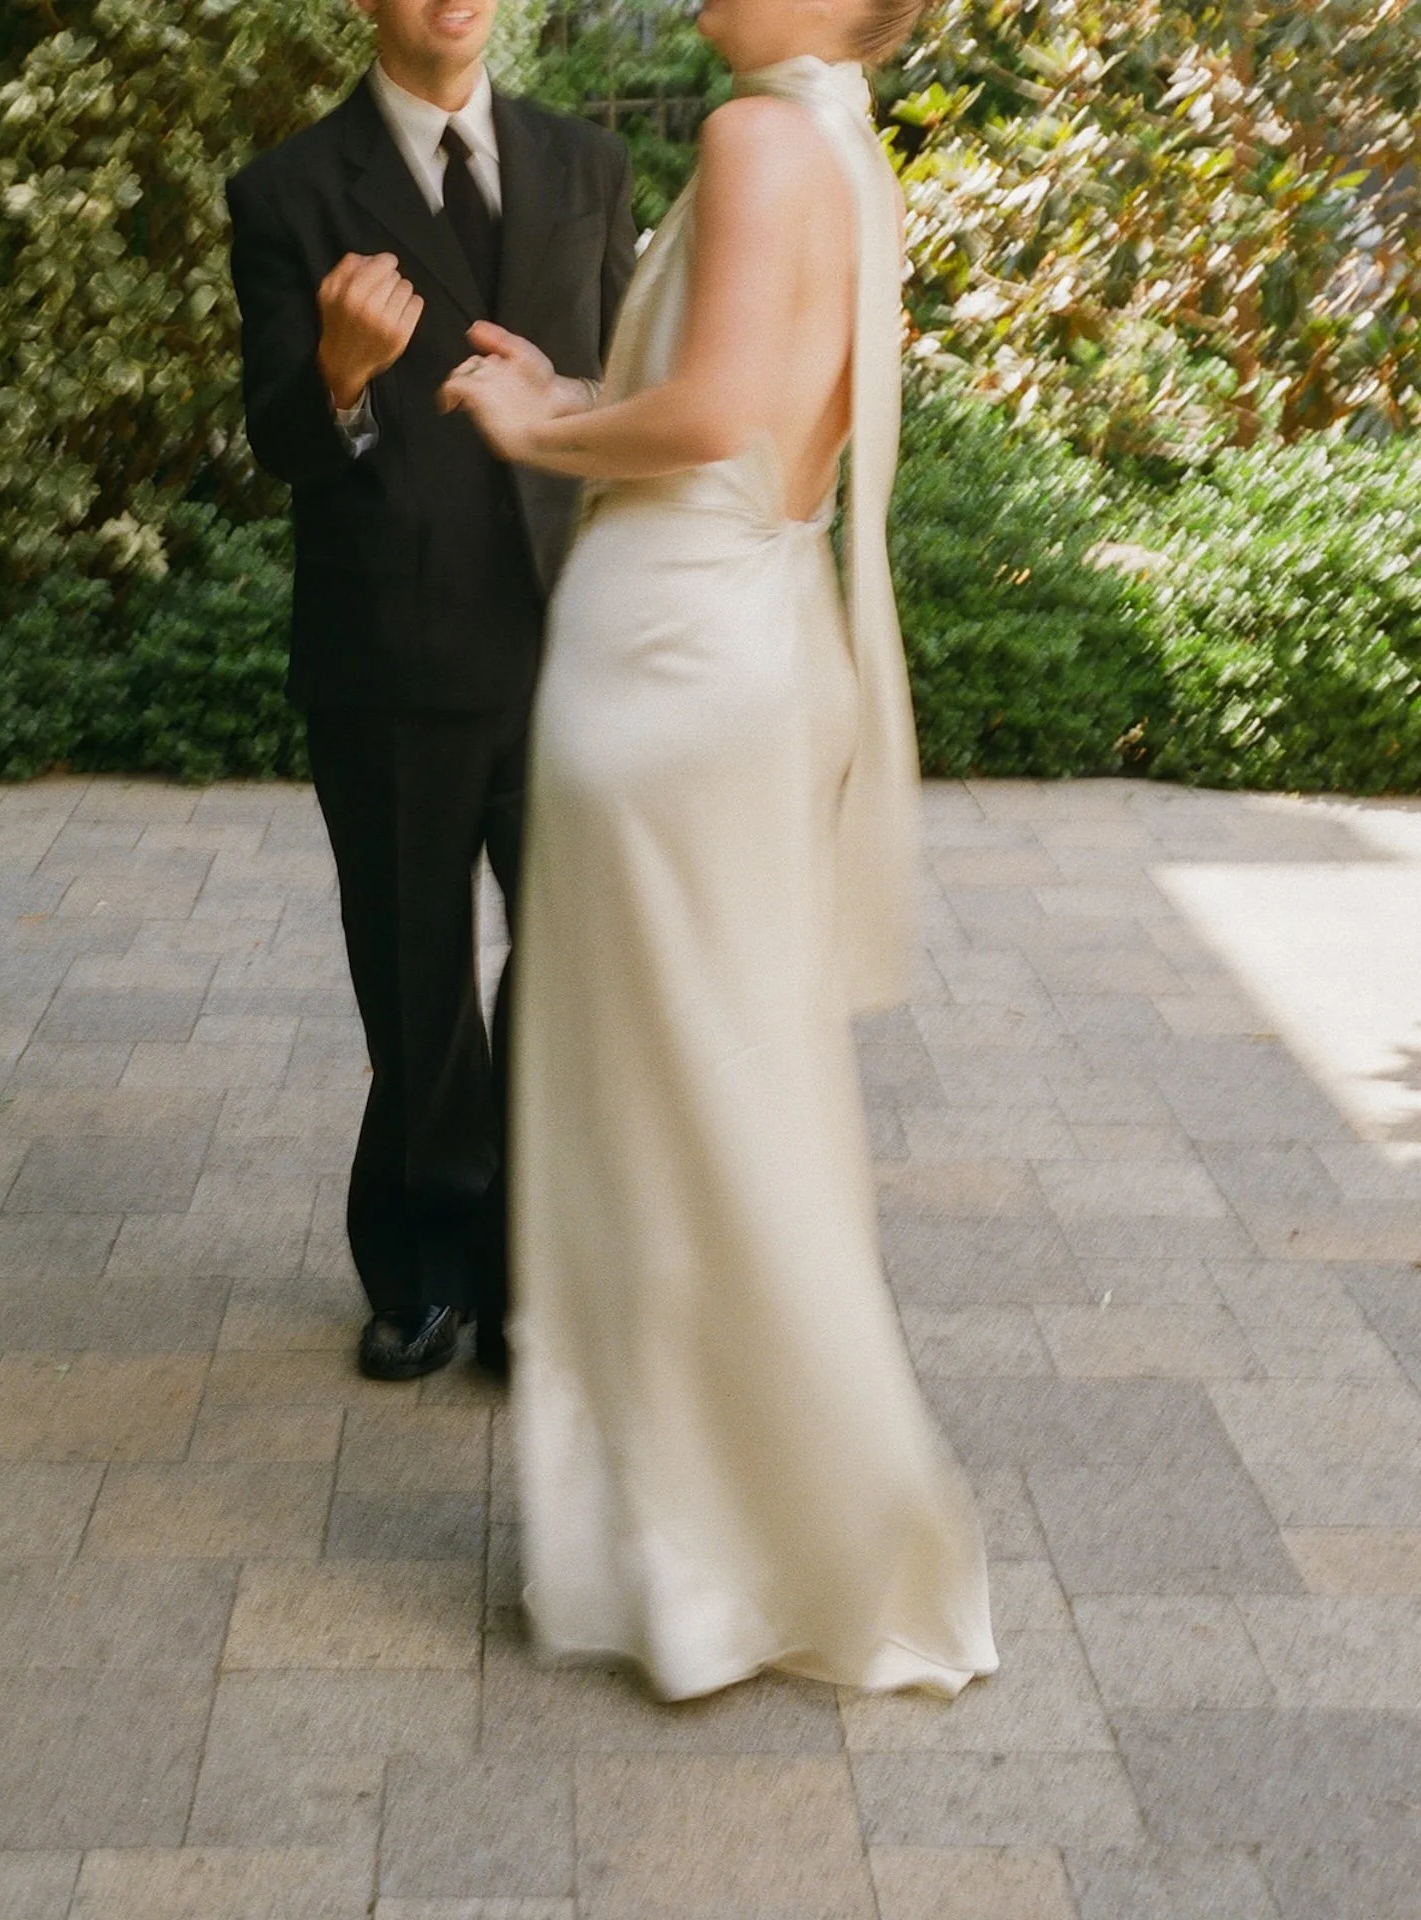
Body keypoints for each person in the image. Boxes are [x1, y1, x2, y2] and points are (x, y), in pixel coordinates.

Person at [441, 0, 997, 1693]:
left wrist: (542, 431)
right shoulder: (827, 133)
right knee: (721, 1098)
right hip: (735, 644)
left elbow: (714, 420)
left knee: (666, 1113)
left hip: (671, 666)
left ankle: (724, 1555)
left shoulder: (760, 137)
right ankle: (737, 1542)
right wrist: (576, 383)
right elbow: (739, 410)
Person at [227, 0, 636, 1379]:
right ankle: (421, 1264)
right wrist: (340, 370)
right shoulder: (288, 188)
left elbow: (630, 385)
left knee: (570, 980)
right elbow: (280, 439)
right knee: (413, 986)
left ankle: (533, 1272)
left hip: (569, 644)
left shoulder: (587, 166)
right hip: (388, 662)